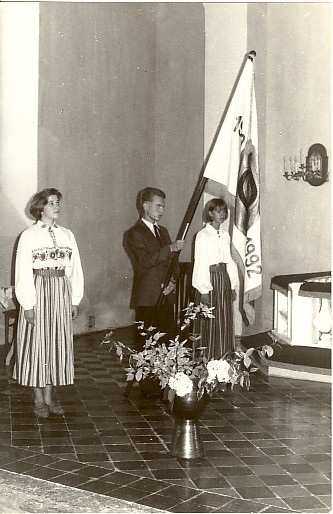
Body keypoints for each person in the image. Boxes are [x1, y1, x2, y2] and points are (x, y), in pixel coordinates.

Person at [13, 188, 84, 418]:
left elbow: (75, 269)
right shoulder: (29, 235)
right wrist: (28, 304)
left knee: (56, 343)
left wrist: (74, 299)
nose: (57, 207)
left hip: (60, 291)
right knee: (37, 344)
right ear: (41, 207)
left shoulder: (67, 235)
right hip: (39, 290)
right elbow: (22, 271)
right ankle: (38, 399)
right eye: (52, 203)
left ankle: (50, 397)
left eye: (57, 203)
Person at [126, 187, 185, 344]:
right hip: (148, 297)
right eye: (158, 206)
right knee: (146, 345)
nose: (161, 210)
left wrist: (173, 281)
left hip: (166, 295)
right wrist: (170, 248)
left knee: (166, 343)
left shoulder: (163, 231)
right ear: (146, 205)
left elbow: (173, 262)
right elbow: (145, 261)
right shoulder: (134, 233)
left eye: (163, 207)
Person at [192, 198, 238, 360]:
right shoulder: (203, 235)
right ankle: (207, 359)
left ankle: (224, 358)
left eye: (224, 211)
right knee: (210, 320)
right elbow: (201, 262)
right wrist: (203, 290)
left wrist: (232, 285)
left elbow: (229, 261)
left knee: (224, 319)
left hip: (223, 279)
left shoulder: (225, 235)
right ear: (210, 213)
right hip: (210, 280)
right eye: (218, 211)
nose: (222, 214)